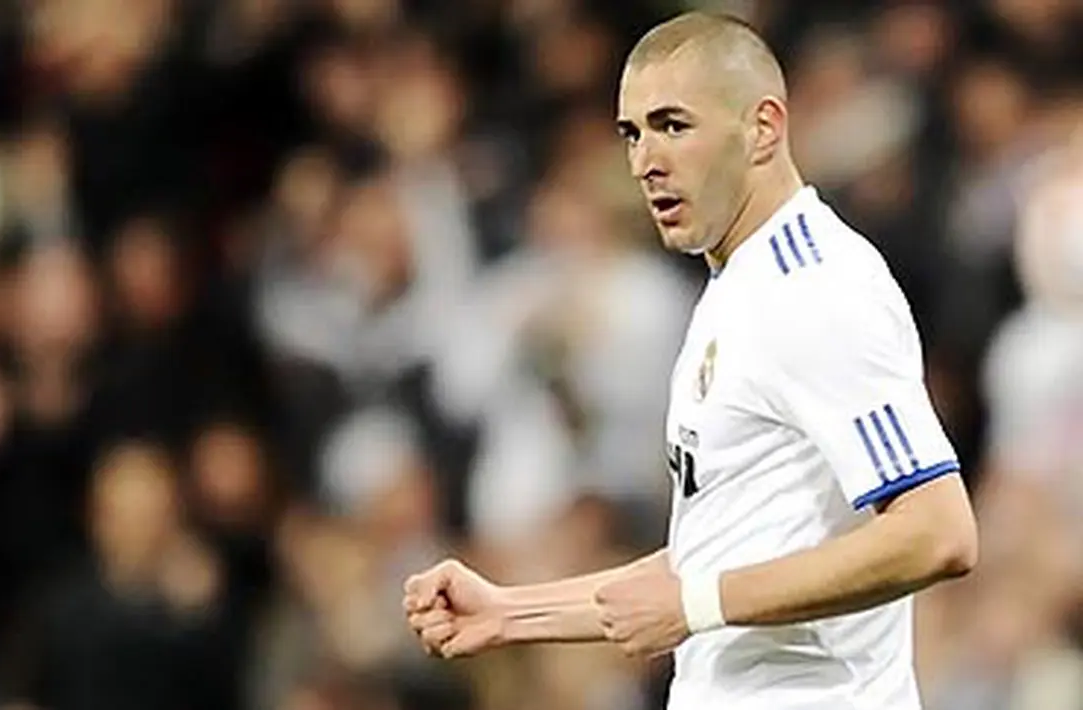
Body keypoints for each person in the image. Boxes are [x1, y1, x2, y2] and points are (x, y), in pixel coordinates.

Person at [402, 11, 979, 709]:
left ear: (762, 127)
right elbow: (714, 558)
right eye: (631, 133)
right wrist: (509, 613)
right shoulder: (734, 288)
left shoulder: (817, 290)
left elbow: (936, 532)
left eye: (673, 125)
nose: (645, 159)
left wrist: (699, 603)